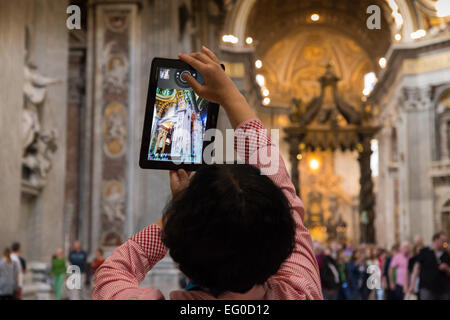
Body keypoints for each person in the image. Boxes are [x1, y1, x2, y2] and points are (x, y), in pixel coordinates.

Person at [92, 46, 322, 300]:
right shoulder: (301, 293)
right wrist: (232, 96)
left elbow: (110, 271)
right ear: (282, 244)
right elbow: (286, 194)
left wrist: (181, 212)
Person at [408, 232, 450, 300]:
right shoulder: (424, 252)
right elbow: (416, 268)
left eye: (446, 241)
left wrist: (447, 268)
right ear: (436, 240)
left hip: (443, 290)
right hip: (426, 288)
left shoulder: (446, 254)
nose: (444, 243)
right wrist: (412, 284)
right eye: (443, 241)